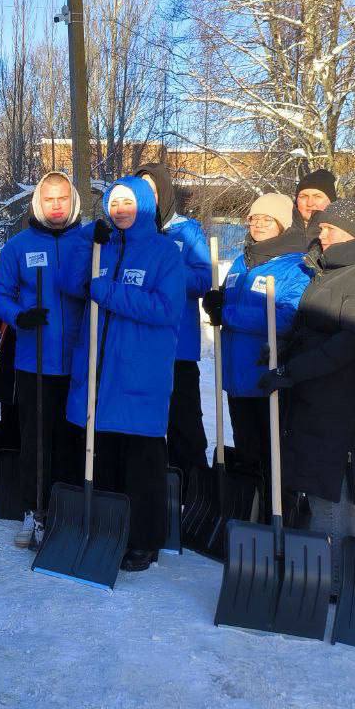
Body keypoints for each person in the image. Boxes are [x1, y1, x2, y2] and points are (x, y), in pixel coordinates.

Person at [60, 178, 185, 571]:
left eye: (128, 202)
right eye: (114, 203)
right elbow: (71, 283)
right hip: (98, 371)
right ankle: (109, 532)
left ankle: (144, 540)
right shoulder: (102, 245)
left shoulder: (165, 253)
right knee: (105, 458)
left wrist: (109, 291)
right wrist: (85, 241)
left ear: (145, 206)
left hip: (138, 375)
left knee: (141, 463)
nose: (120, 210)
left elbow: (166, 309)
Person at [266, 198, 355, 595]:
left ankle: (336, 580)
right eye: (322, 227)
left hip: (340, 400)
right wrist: (284, 353)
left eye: (331, 228)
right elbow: (315, 330)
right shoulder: (329, 270)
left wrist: (292, 370)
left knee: (331, 488)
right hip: (314, 397)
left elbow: (349, 341)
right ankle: (322, 572)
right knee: (315, 484)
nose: (322, 233)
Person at [0, 171, 88, 548]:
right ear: (38, 203)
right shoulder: (20, 245)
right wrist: (18, 316)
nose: (56, 205)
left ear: (73, 200)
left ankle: (67, 509)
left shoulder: (89, 240)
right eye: (49, 199)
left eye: (63, 197)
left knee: (73, 439)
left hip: (79, 360)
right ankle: (34, 509)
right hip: (35, 361)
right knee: (36, 439)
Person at [202, 193, 310, 505]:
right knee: (248, 453)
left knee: (273, 455)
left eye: (267, 219)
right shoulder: (240, 261)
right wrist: (215, 303)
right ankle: (251, 511)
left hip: (267, 379)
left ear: (283, 224)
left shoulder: (296, 266)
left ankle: (278, 512)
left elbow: (289, 316)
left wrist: (229, 314)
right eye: (254, 218)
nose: (258, 224)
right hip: (237, 378)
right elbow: (225, 301)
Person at [135, 163, 213, 481]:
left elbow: (203, 279)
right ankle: (151, 490)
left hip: (178, 346)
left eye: (153, 191)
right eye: (142, 192)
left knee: (184, 424)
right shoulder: (130, 233)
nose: (148, 198)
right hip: (140, 346)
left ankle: (193, 493)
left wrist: (166, 271)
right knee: (145, 426)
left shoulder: (186, 231)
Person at [293, 168, 336, 243]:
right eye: (304, 196)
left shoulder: (342, 234)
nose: (310, 203)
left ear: (331, 201)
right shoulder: (280, 229)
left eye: (317, 196)